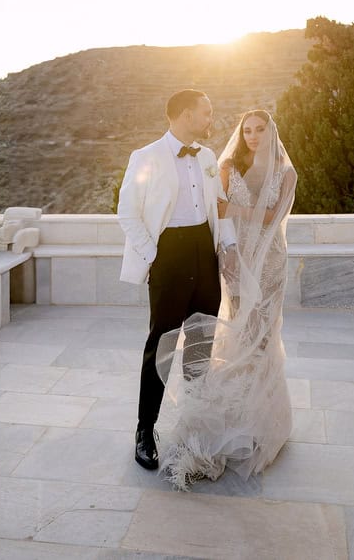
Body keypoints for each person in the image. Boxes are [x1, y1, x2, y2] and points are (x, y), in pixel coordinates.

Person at [155, 109, 297, 489]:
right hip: (236, 260)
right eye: (247, 130)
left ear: (271, 131)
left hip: (270, 264)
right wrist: (230, 251)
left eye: (259, 129)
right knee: (239, 331)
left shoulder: (287, 172)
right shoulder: (227, 166)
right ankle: (239, 416)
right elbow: (219, 218)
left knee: (264, 335)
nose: (252, 135)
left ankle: (262, 420)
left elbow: (271, 218)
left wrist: (234, 209)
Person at [117, 89, 228, 471]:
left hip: (204, 251)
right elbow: (127, 212)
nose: (211, 119)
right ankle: (145, 431)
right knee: (162, 345)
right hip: (169, 254)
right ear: (184, 115)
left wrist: (224, 250)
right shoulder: (145, 157)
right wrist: (154, 255)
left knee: (202, 342)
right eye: (206, 112)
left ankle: (194, 425)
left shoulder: (209, 157)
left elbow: (220, 205)